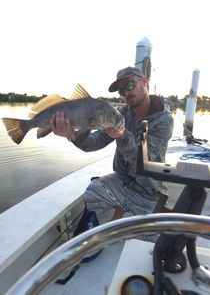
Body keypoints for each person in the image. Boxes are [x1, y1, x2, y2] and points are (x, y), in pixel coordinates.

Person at [50, 66, 174, 240]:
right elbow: (93, 143)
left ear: (144, 81)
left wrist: (122, 136)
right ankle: (122, 216)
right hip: (124, 180)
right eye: (122, 91)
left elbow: (145, 161)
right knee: (93, 192)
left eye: (130, 85)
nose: (126, 93)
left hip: (149, 187)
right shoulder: (120, 114)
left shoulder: (164, 119)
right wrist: (72, 135)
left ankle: (126, 217)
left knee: (152, 242)